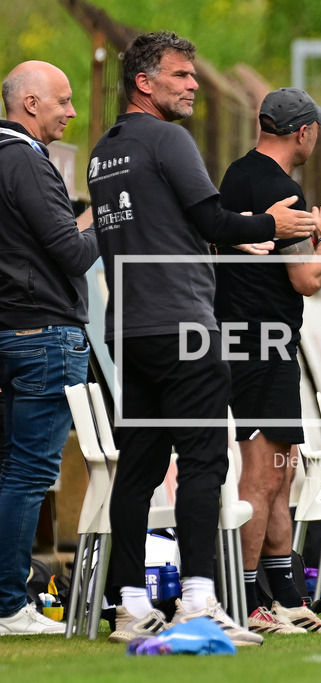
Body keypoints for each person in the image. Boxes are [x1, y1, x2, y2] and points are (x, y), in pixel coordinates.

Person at [87, 32, 316, 645]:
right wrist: (275, 222)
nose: (192, 85)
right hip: (184, 325)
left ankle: (129, 605)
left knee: (136, 470)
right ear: (145, 82)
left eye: (193, 75)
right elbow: (210, 217)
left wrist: (231, 237)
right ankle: (198, 601)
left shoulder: (104, 151)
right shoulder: (169, 138)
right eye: (181, 75)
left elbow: (175, 228)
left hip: (128, 329)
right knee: (204, 463)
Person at [214, 87, 321, 635]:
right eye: (316, 129)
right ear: (303, 132)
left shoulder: (239, 173)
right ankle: (241, 603)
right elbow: (307, 278)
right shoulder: (281, 189)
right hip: (260, 345)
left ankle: (284, 595)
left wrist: (320, 230)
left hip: (257, 343)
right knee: (263, 477)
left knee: (281, 475)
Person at [0, 60, 98, 636]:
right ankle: (11, 604)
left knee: (12, 470)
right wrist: (118, 219)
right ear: (30, 103)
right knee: (28, 473)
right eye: (63, 100)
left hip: (14, 328)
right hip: (43, 334)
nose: (72, 111)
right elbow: (75, 254)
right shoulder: (25, 160)